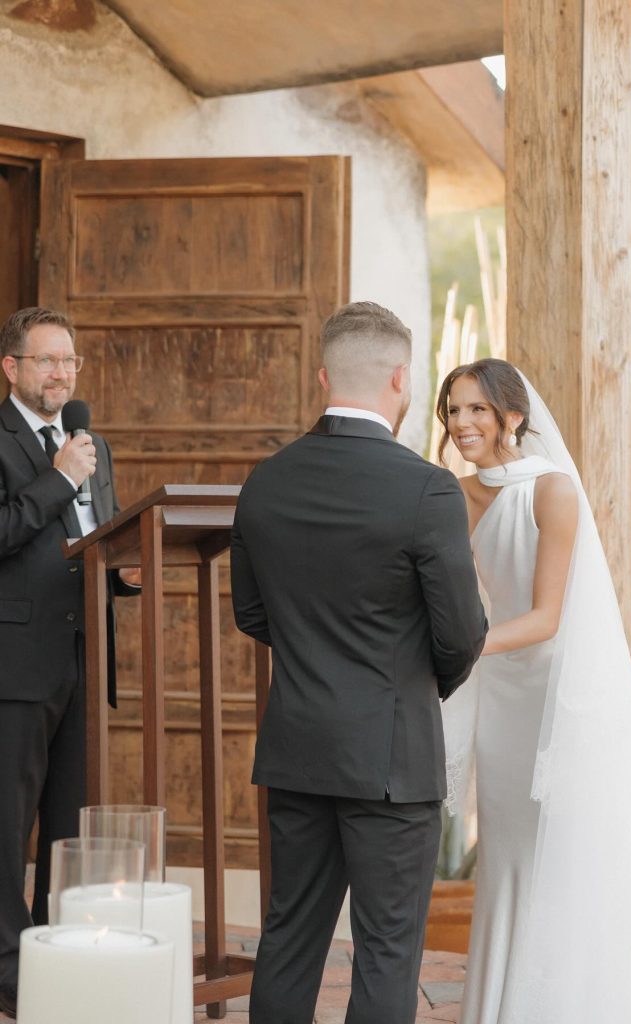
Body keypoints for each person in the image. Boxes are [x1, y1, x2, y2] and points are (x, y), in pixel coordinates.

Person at [439, 358, 631, 1023]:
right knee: (510, 846)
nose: (462, 424)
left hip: (557, 692)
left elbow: (546, 618)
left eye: (476, 409)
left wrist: (459, 646)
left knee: (563, 849)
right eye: (453, 410)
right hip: (502, 699)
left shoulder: (552, 492)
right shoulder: (452, 495)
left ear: (512, 416)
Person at [231, 300, 487, 1024]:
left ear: (323, 377)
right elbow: (462, 632)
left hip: (298, 749)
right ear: (402, 379)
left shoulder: (266, 481)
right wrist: (410, 687)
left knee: (288, 938)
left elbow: (252, 614)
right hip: (391, 757)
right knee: (386, 948)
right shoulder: (426, 488)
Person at [0, 307, 138, 1021]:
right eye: (48, 360)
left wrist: (126, 574)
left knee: (67, 823)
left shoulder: (95, 445)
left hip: (84, 657)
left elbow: (95, 539)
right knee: (5, 824)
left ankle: (55, 954)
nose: (62, 373)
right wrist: (56, 479)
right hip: (14, 664)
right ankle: (10, 972)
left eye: (70, 362)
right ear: (13, 369)